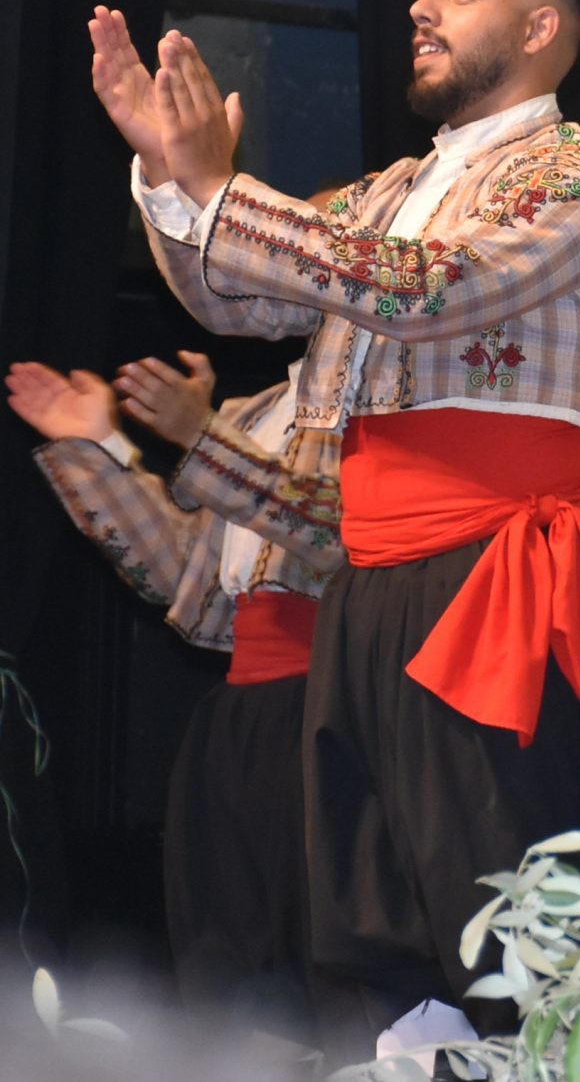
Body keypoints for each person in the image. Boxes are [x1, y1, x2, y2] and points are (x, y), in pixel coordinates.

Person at [89, 0, 580, 1055]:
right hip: (372, 582)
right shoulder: (398, 184)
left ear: (540, 28)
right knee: (373, 915)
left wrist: (222, 189)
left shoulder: (578, 179)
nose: (418, 6)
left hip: (497, 576)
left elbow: (425, 288)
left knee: (503, 910)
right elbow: (241, 298)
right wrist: (172, 178)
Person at [8, 351, 338, 1041]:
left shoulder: (399, 397)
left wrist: (201, 435)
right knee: (227, 988)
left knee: (335, 985)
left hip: (341, 715)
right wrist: (98, 443)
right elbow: (190, 581)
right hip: (241, 723)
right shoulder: (264, 412)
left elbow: (338, 538)